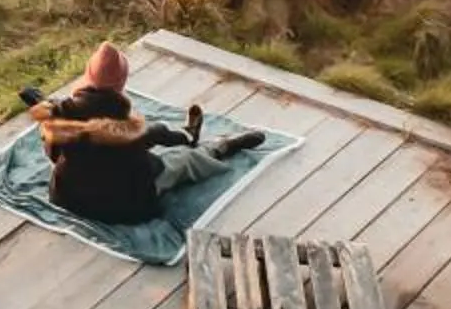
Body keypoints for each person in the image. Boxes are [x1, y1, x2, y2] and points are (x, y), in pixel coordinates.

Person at [18, 41, 266, 224]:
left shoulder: (59, 115)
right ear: (121, 85)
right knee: (182, 160)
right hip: (124, 206)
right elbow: (157, 134)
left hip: (68, 198)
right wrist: (184, 137)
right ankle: (219, 146)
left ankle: (194, 137)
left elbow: (53, 154)